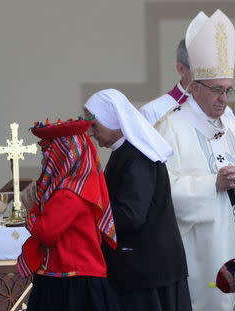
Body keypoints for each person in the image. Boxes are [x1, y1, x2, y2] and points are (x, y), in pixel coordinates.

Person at [155, 10, 235, 311]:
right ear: (195, 88)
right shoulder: (170, 130)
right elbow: (162, 194)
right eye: (217, 90)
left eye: (227, 90)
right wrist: (212, 185)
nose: (224, 99)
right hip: (200, 255)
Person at [84, 89, 192, 311]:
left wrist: (89, 214)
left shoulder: (137, 157)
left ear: (112, 119)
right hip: (145, 267)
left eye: (95, 125)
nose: (91, 132)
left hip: (147, 270)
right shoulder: (125, 152)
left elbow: (131, 215)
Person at [16, 117, 119, 311]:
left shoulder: (69, 193)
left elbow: (46, 233)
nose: (44, 159)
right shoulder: (76, 187)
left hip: (73, 282)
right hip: (69, 277)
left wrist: (31, 211)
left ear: (64, 156)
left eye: (49, 152)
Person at [139, 39, 235, 126]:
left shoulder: (225, 113)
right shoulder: (153, 112)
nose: (208, 77)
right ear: (181, 69)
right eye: (200, 71)